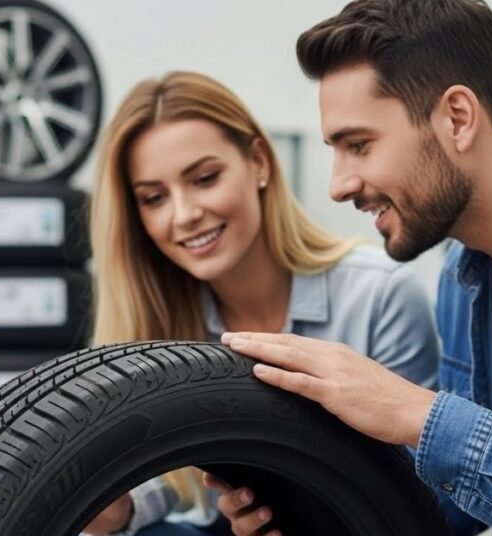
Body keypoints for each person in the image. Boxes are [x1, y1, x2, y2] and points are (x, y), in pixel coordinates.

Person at [211, 1, 492, 535]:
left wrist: (418, 415)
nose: (338, 185)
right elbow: (461, 513)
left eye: (359, 145)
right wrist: (309, 508)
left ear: (458, 118)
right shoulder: (462, 276)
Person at [81, 71, 440, 536]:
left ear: (259, 162)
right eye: (154, 198)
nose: (184, 215)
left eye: (205, 179)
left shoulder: (379, 294)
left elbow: (420, 494)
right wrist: (118, 509)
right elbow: (170, 484)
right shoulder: (161, 318)